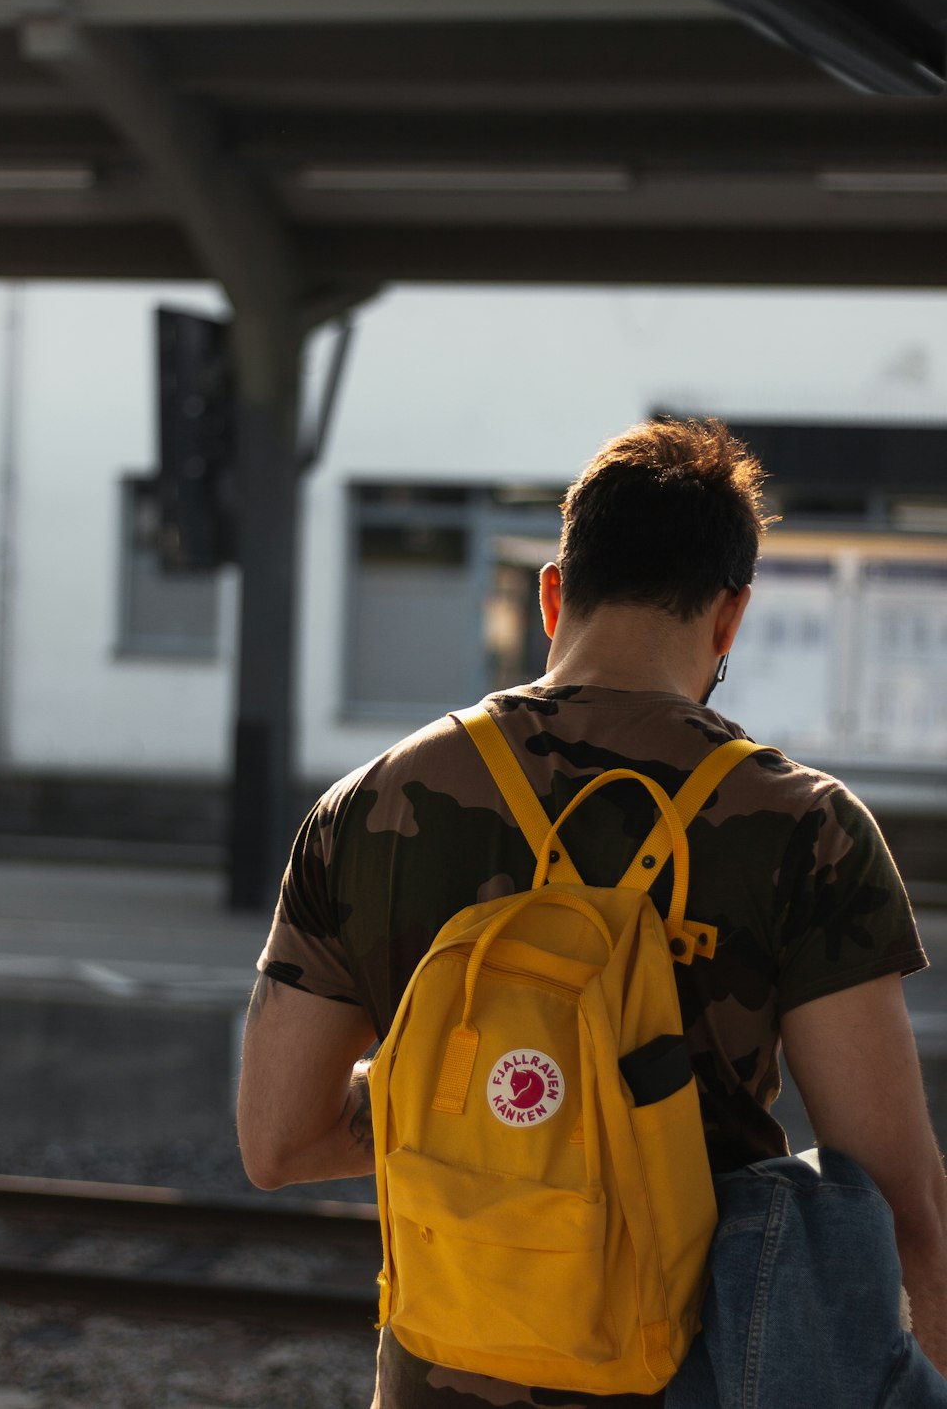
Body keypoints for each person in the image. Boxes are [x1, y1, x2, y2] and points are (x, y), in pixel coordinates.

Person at [237, 418, 947, 1408]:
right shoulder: (806, 828)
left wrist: (489, 1095)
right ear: (730, 616)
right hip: (689, 1375)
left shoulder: (365, 807)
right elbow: (898, 1203)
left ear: (552, 592)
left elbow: (277, 1141)